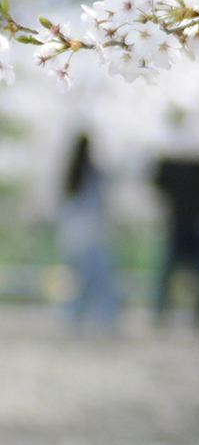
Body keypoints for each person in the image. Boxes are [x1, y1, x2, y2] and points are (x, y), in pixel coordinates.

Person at [55, 133, 119, 328]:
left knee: (80, 281)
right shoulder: (91, 174)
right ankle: (105, 319)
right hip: (91, 236)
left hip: (73, 236)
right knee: (99, 280)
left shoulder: (70, 175)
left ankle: (74, 318)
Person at [153, 154, 199, 323]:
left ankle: (163, 309)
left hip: (184, 222)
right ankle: (198, 312)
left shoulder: (180, 169)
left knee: (173, 271)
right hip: (193, 224)